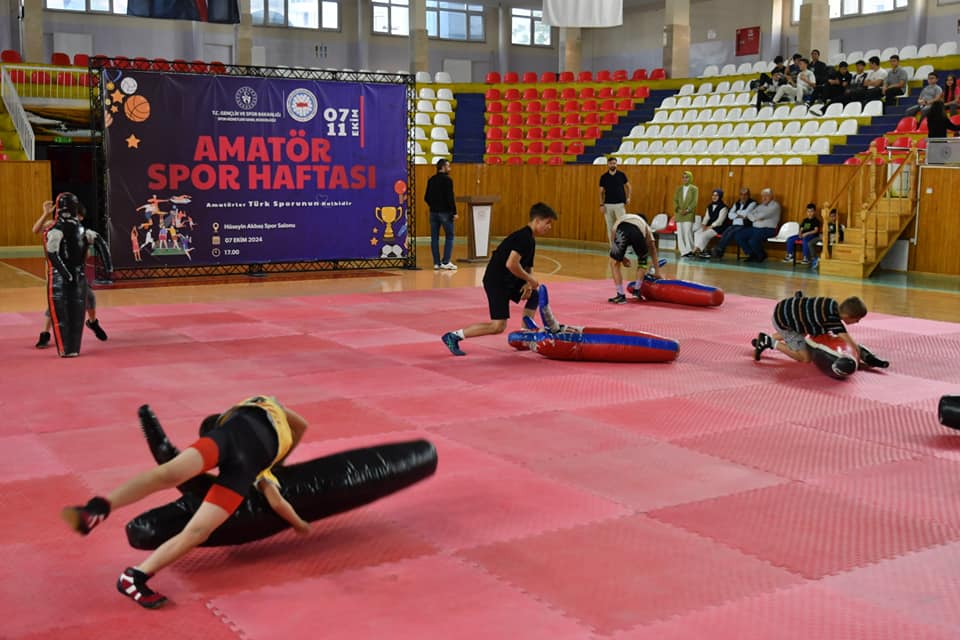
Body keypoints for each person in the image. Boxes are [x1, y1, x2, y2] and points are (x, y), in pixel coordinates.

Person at [61, 396, 310, 608]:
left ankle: (133, 576)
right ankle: (97, 509)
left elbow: (300, 426)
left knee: (195, 526)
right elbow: (300, 427)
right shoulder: (265, 426)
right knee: (171, 477)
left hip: (234, 451)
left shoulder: (264, 413)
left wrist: (279, 462)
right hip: (233, 445)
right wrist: (299, 523)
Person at [441, 203, 559, 356]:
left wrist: (529, 283)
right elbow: (511, 264)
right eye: (547, 223)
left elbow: (528, 265)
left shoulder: (530, 239)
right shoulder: (523, 237)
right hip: (496, 281)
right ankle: (454, 336)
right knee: (498, 326)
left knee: (534, 295)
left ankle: (525, 334)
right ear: (537, 221)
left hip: (508, 280)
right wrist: (530, 279)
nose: (549, 227)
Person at [33, 200, 108, 348]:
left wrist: (81, 247)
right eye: (78, 216)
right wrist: (45, 213)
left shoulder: (78, 230)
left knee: (89, 296)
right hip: (56, 272)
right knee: (55, 302)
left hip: (75, 271)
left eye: (80, 218)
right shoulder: (54, 225)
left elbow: (85, 256)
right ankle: (45, 333)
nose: (78, 220)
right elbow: (36, 229)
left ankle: (92, 323)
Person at [752, 293, 878, 367]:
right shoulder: (832, 320)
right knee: (805, 358)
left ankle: (765, 339)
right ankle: (770, 341)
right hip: (783, 321)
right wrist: (861, 357)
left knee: (808, 330)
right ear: (848, 317)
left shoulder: (831, 303)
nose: (857, 322)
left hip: (784, 308)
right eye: (857, 320)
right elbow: (848, 340)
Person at [607, 213, 661, 304]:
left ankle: (620, 295)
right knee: (642, 261)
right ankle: (637, 290)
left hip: (622, 229)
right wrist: (657, 272)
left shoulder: (622, 219)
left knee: (614, 263)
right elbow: (653, 249)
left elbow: (613, 245)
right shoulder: (645, 225)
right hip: (637, 233)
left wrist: (622, 259)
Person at [424, 158, 458, 271]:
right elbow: (450, 198)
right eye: (448, 166)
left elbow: (426, 197)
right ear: (443, 167)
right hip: (445, 213)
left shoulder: (431, 180)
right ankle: (446, 261)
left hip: (433, 212)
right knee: (450, 236)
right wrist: (454, 212)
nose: (450, 168)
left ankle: (436, 263)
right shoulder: (448, 180)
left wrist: (433, 206)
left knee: (434, 238)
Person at [710, 188, 756, 259]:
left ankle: (719, 250)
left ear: (749, 195)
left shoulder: (753, 203)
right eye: (741, 195)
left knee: (732, 233)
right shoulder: (737, 203)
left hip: (745, 225)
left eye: (745, 195)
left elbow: (746, 213)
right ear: (739, 195)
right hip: (734, 225)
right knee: (726, 232)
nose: (743, 197)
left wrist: (736, 214)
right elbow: (730, 215)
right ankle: (720, 250)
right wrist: (739, 215)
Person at [737, 188, 781, 263]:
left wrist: (756, 217)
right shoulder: (760, 206)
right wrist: (755, 218)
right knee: (739, 235)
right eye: (763, 196)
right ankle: (752, 254)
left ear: (772, 196)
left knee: (752, 240)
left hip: (769, 229)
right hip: (755, 228)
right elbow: (749, 214)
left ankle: (761, 255)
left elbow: (762, 215)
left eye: (766, 196)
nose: (764, 198)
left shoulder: (775, 206)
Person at [599, 157, 631, 244]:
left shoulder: (621, 175)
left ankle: (624, 246)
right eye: (611, 163)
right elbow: (601, 192)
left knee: (623, 225)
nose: (613, 165)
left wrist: (628, 197)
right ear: (608, 164)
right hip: (608, 205)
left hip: (620, 204)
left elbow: (628, 187)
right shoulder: (604, 177)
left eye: (614, 163)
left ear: (616, 164)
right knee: (610, 227)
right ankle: (612, 246)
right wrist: (601, 205)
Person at [693, 188, 729, 258]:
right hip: (709, 226)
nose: (714, 197)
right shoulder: (709, 206)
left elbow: (720, 221)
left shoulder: (724, 207)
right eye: (713, 195)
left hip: (719, 228)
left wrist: (710, 227)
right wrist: (703, 225)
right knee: (697, 232)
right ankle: (701, 251)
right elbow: (707, 217)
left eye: (716, 195)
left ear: (720, 197)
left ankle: (696, 250)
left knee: (704, 234)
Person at [673, 170, 698, 257]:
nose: (684, 179)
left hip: (689, 213)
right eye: (683, 177)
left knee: (688, 232)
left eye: (686, 177)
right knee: (680, 233)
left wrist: (687, 210)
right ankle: (683, 251)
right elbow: (675, 200)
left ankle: (690, 250)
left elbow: (694, 201)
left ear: (690, 178)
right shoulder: (678, 189)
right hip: (679, 213)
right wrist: (678, 209)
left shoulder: (694, 189)